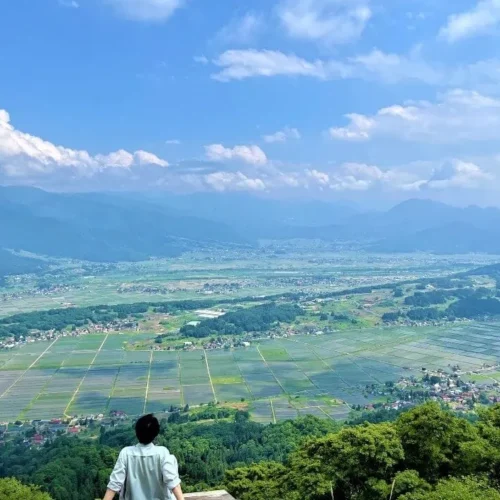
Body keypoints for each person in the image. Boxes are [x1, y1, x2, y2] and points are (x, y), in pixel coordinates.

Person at [103, 414, 184, 500]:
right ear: (156, 433)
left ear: (136, 432)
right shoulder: (163, 453)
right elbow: (173, 482)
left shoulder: (126, 453)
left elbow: (115, 483)